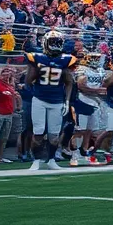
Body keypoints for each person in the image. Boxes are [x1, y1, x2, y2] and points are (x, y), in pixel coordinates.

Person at [24, 29, 76, 171]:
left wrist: (66, 101)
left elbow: (69, 82)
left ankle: (51, 159)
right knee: (39, 132)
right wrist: (34, 70)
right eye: (53, 42)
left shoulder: (65, 60)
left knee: (54, 135)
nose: (56, 44)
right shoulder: (37, 58)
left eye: (58, 42)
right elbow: (29, 80)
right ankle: (36, 160)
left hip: (57, 100)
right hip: (40, 99)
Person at [71, 52, 106, 166]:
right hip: (83, 101)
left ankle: (84, 151)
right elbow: (81, 86)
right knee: (80, 130)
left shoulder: (100, 70)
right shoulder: (82, 69)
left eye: (97, 58)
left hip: (95, 102)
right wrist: (97, 91)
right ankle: (75, 154)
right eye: (93, 58)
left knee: (89, 131)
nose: (96, 60)